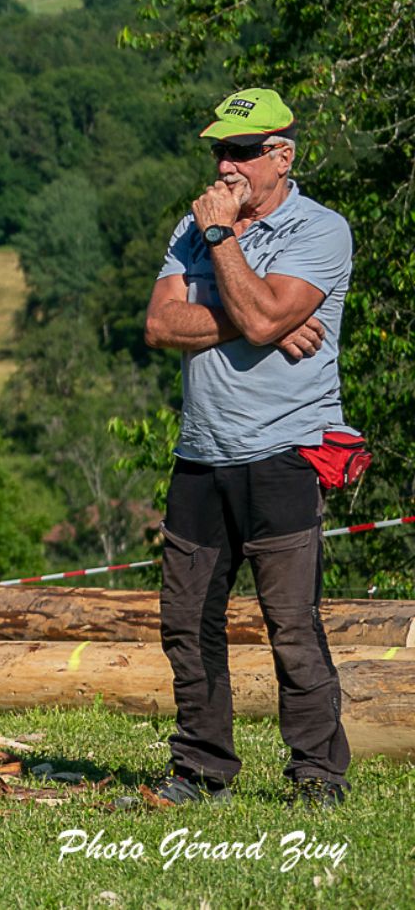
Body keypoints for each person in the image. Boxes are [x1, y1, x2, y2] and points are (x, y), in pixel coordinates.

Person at [139, 87, 354, 808]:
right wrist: (259, 317)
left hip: (284, 452)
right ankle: (201, 770)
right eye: (219, 151)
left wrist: (226, 246)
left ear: (281, 156)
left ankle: (318, 775)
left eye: (242, 151)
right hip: (202, 452)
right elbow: (161, 326)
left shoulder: (319, 230)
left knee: (291, 624)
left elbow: (263, 319)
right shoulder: (191, 225)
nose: (226, 165)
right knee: (186, 622)